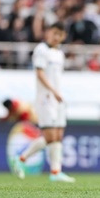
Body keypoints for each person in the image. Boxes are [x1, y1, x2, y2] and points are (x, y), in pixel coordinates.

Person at [12, 22, 75, 183]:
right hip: (46, 99)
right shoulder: (41, 50)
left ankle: (55, 172)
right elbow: (40, 73)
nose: (56, 37)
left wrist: (58, 93)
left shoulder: (59, 53)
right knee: (49, 137)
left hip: (58, 98)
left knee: (59, 136)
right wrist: (53, 91)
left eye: (59, 34)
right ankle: (21, 159)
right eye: (54, 33)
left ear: (63, 37)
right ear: (48, 33)